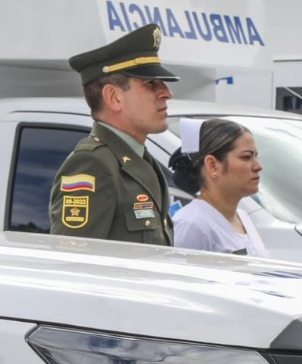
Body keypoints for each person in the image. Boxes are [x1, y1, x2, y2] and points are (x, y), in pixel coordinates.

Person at [48, 23, 177, 244]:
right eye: (151, 84)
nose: (166, 93)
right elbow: (76, 266)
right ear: (114, 97)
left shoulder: (138, 160)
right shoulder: (92, 164)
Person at [168, 117, 269, 256]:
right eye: (246, 157)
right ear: (212, 165)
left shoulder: (243, 217)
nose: (258, 166)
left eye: (256, 156)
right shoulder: (192, 224)